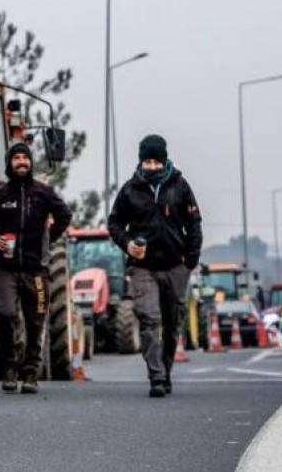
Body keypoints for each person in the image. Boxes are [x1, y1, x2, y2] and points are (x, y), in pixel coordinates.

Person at [108, 135, 203, 398]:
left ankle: (166, 369)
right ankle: (156, 376)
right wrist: (127, 244)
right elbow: (114, 224)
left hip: (175, 265)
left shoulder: (180, 186)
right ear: (141, 161)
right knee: (149, 320)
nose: (150, 167)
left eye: (155, 161)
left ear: (164, 161)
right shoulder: (130, 189)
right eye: (146, 161)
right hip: (143, 267)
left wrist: (191, 259)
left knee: (172, 324)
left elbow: (194, 223)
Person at [0, 142, 72, 393]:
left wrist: (48, 238)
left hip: (37, 270)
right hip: (6, 268)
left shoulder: (43, 192)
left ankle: (30, 372)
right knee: (6, 314)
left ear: (30, 163)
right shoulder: (0, 196)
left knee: (35, 321)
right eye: (17, 158)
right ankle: (10, 366)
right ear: (9, 163)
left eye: (25, 158)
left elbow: (64, 215)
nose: (22, 162)